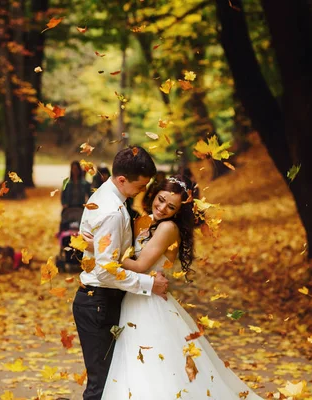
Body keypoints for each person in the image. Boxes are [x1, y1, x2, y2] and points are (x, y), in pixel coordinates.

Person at [99, 176, 262, 399]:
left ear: (177, 212)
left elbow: (139, 265)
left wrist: (103, 250)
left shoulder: (167, 228)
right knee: (136, 365)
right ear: (153, 195)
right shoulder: (145, 221)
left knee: (154, 364)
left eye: (171, 206)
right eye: (161, 199)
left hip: (149, 304)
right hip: (136, 297)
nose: (163, 207)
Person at [73, 146, 169, 400]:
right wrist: (149, 283)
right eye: (141, 185)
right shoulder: (112, 213)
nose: (143, 190)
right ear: (122, 179)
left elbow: (107, 254)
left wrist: (105, 248)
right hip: (98, 303)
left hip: (101, 300)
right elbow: (107, 272)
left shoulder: (106, 194)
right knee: (102, 385)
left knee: (111, 378)